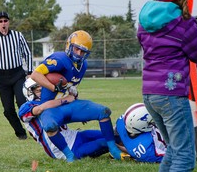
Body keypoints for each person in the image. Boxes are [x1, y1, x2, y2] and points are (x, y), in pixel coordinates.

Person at [137, 0, 197, 172]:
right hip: (172, 95)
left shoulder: (144, 21)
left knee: (174, 149)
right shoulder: (183, 24)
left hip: (150, 93)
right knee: (185, 157)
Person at [28, 30, 126, 162]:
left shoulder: (83, 65)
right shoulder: (59, 59)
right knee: (50, 126)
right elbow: (35, 75)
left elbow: (71, 88)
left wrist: (80, 109)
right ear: (69, 45)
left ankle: (113, 149)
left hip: (67, 106)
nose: (79, 54)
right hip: (50, 108)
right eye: (76, 49)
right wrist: (53, 87)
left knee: (103, 111)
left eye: (83, 52)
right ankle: (69, 156)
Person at [19, 78, 110, 160]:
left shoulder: (52, 101)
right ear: (29, 92)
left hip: (74, 135)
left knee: (111, 136)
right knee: (103, 143)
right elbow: (39, 109)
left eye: (44, 89)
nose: (43, 93)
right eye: (39, 90)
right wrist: (64, 99)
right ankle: (121, 150)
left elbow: (70, 107)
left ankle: (122, 139)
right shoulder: (26, 107)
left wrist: (72, 94)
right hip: (63, 148)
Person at [114, 103, 197, 163]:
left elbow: (118, 139)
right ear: (144, 127)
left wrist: (118, 148)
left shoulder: (122, 123)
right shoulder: (149, 149)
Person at [0, 11, 33, 140]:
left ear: (8, 22)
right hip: (3, 77)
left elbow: (27, 53)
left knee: (23, 104)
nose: (3, 23)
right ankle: (20, 133)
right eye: (0, 21)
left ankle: (34, 129)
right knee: (8, 110)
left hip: (18, 74)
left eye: (5, 21)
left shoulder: (18, 36)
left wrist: (30, 72)